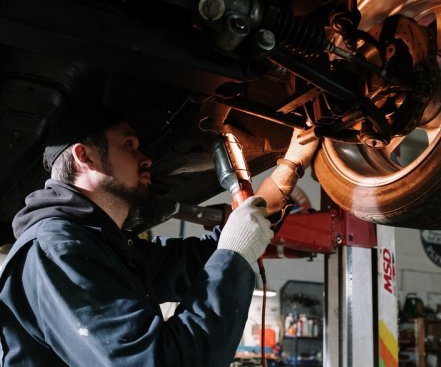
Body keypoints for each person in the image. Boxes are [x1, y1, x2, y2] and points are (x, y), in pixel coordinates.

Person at [0, 104, 318, 366]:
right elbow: (158, 361)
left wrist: (289, 167)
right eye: (129, 145)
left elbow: (202, 259)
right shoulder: (55, 250)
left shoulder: (101, 247)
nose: (146, 158)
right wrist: (235, 254)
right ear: (85, 156)